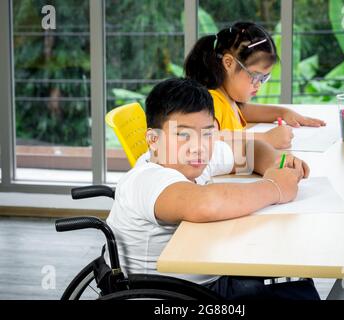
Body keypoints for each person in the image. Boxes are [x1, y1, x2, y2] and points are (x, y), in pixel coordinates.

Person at [106, 77, 320, 300]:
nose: (198, 146)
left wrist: (277, 164)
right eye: (183, 135)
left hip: (203, 278)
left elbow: (249, 148)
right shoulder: (148, 179)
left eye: (207, 133)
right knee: (294, 290)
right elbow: (205, 204)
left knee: (293, 276)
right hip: (174, 296)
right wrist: (275, 187)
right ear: (153, 139)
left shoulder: (191, 159)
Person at [184, 21, 326, 149]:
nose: (259, 85)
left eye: (264, 78)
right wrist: (264, 139)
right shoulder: (212, 101)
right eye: (255, 76)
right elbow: (205, 138)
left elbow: (245, 111)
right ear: (228, 63)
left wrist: (282, 113)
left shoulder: (228, 100)